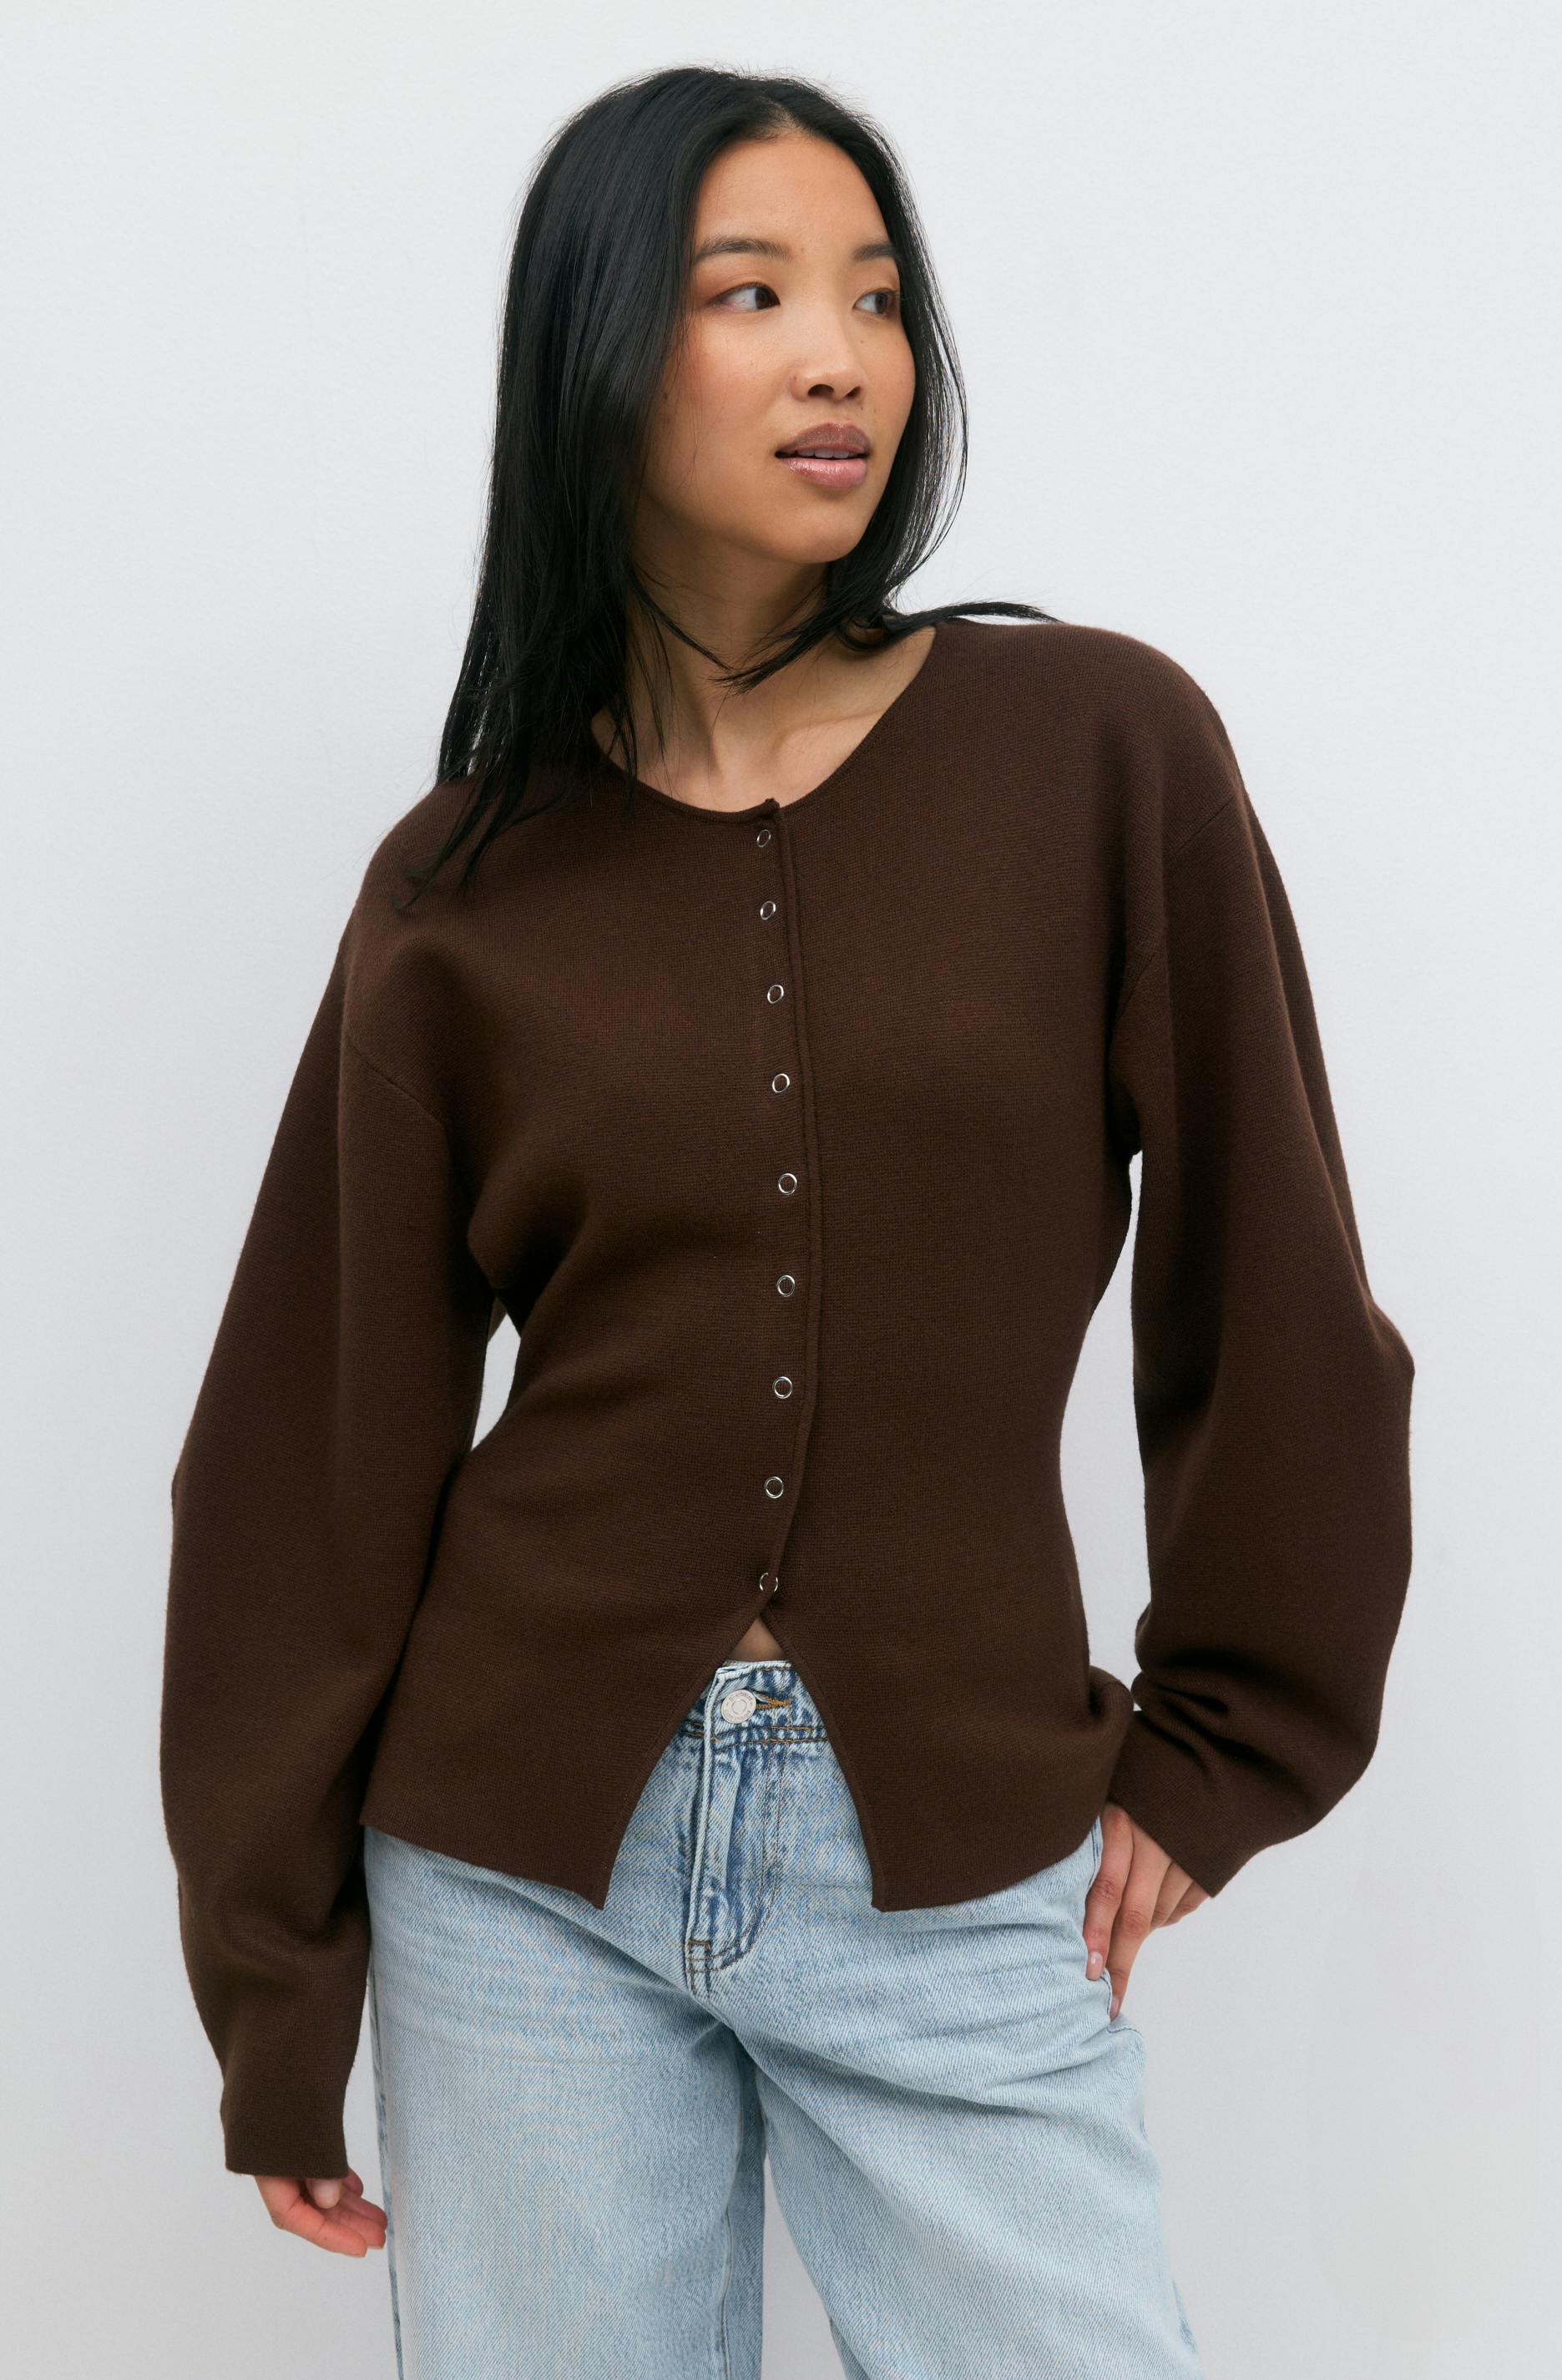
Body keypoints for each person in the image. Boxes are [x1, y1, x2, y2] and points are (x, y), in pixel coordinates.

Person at [159, 63, 1416, 2379]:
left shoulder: (1096, 749)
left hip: (951, 1839)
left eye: (877, 297)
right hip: (513, 1866)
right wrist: (272, 1976)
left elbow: (1276, 1282)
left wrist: (1228, 1737)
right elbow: (302, 1455)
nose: (841, 355)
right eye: (750, 294)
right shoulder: (463, 882)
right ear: (600, 348)